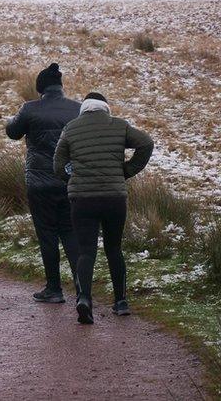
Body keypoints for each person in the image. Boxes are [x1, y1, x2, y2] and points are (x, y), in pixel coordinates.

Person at [54, 92, 154, 325]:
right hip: (114, 198)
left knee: (86, 251)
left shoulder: (70, 128)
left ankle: (84, 299)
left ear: (84, 109)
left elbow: (57, 166)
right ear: (105, 108)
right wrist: (126, 170)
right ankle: (120, 303)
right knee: (114, 248)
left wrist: (72, 179)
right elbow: (146, 143)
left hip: (82, 200)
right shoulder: (119, 126)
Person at [6, 63, 81, 304]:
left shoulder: (30, 109)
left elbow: (12, 132)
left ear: (41, 88)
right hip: (69, 181)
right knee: (71, 233)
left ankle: (54, 288)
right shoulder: (77, 109)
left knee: (47, 235)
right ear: (60, 87)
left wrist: (12, 119)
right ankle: (82, 289)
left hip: (39, 183)